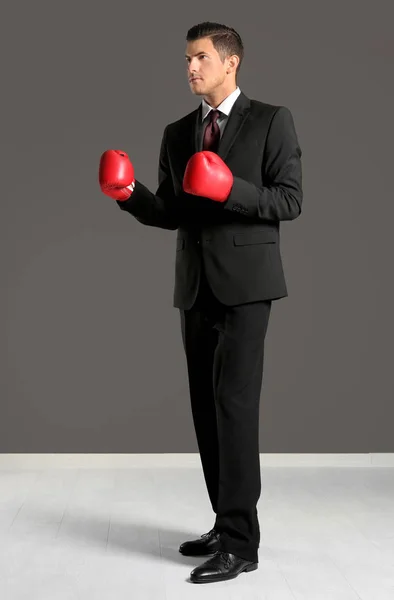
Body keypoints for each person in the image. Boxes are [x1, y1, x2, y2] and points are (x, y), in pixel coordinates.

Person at [99, 21, 303, 584]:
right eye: (187, 59)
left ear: (231, 61)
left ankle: (242, 544)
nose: (191, 68)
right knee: (206, 414)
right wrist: (130, 194)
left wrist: (228, 189)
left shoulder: (270, 120)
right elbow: (172, 212)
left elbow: (290, 199)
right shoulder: (176, 131)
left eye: (201, 58)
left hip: (245, 289)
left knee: (235, 411)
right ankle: (223, 521)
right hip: (194, 288)